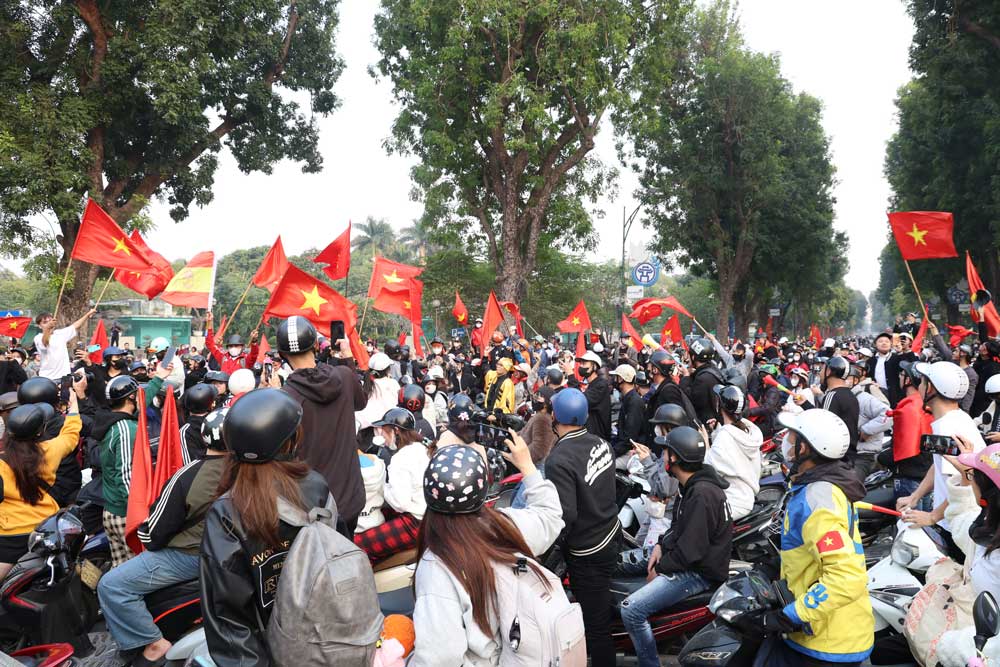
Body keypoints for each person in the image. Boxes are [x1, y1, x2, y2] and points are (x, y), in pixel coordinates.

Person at [200, 388, 350, 667]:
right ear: (289, 441)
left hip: (272, 648)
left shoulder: (227, 510)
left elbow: (227, 616)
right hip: (329, 637)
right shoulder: (316, 484)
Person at [409, 431, 563, 666]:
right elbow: (550, 517)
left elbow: (439, 657)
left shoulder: (437, 564)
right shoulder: (505, 525)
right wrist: (528, 467)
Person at [97, 407, 229, 667]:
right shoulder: (255, 473)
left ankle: (154, 643)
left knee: (111, 585)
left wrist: (148, 538)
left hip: (191, 556)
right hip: (231, 555)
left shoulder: (190, 475)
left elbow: (154, 532)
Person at [750, 409, 873, 666]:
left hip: (827, 640)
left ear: (804, 449)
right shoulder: (822, 484)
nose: (787, 442)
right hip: (825, 631)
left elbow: (846, 577)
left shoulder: (817, 499)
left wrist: (790, 616)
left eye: (793, 437)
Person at [620, 426, 733, 667]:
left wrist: (659, 569)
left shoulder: (702, 494)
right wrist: (661, 544)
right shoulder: (692, 485)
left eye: (665, 453)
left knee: (631, 610)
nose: (662, 458)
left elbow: (691, 552)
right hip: (681, 556)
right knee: (618, 562)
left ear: (675, 458)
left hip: (698, 573)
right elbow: (679, 527)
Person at [544, 388, 620, 665]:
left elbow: (565, 515)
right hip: (611, 533)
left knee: (596, 627)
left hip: (589, 551)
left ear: (555, 416)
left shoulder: (559, 459)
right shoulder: (600, 442)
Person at [276, 316, 368, 533]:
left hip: (313, 507)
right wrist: (347, 358)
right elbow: (360, 401)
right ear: (316, 346)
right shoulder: (344, 376)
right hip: (350, 499)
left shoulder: (285, 399)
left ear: (281, 355)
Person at [0, 383, 83, 579]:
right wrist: (73, 405)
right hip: (44, 530)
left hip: (9, 538)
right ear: (39, 432)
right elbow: (71, 434)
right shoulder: (50, 450)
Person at [898, 361, 986, 530]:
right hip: (951, 519)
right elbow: (940, 465)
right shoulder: (955, 418)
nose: (919, 386)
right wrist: (915, 496)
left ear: (929, 388)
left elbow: (968, 481)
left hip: (956, 525)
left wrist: (933, 516)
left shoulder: (948, 428)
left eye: (922, 382)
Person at [100, 367, 168, 566]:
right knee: (137, 574)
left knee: (119, 571)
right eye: (137, 394)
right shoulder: (125, 430)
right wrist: (141, 515)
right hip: (125, 515)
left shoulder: (115, 420)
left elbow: (140, 406)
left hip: (113, 510)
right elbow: (126, 475)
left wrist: (158, 379)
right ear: (131, 398)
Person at [355, 408, 432, 564]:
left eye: (384, 430)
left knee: (357, 545)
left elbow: (400, 503)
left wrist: (381, 485)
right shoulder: (421, 449)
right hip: (428, 518)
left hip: (415, 523)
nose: (382, 435)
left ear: (395, 431)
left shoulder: (400, 459)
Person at [705, 385, 762, 520]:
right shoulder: (747, 430)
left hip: (732, 502)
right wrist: (717, 430)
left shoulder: (725, 436)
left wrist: (705, 443)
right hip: (746, 496)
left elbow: (709, 469)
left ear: (719, 405)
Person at [32, 309, 97, 380]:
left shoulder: (60, 334)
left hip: (64, 376)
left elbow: (75, 326)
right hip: (47, 377)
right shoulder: (38, 338)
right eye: (45, 322)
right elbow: (45, 343)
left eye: (50, 321)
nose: (49, 324)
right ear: (39, 326)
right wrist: (48, 328)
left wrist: (88, 314)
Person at [686, 337, 725, 423]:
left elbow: (692, 402)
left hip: (707, 424)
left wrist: (686, 377)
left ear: (693, 357)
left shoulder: (703, 379)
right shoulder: (713, 370)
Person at [611, 363, 645, 459]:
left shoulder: (634, 402)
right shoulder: (628, 398)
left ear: (622, 379)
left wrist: (612, 453)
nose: (614, 380)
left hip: (631, 452)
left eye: (616, 377)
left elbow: (629, 437)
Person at [179, 383, 217, 461]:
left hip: (200, 471)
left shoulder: (185, 431)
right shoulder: (218, 423)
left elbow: (189, 463)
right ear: (211, 404)